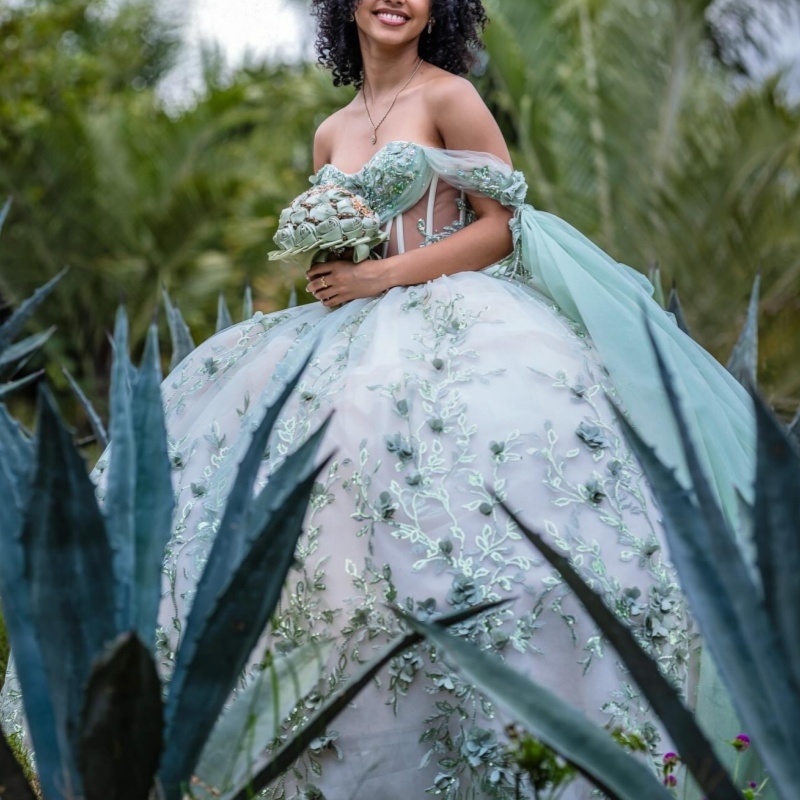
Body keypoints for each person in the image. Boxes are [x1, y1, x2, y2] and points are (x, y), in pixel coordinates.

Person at [0, 1, 755, 798]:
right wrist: (333, 274)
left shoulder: (449, 96)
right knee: (327, 531)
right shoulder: (330, 130)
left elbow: (505, 226)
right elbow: (340, 247)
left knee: (473, 519)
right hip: (345, 338)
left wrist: (383, 276)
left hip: (460, 324)